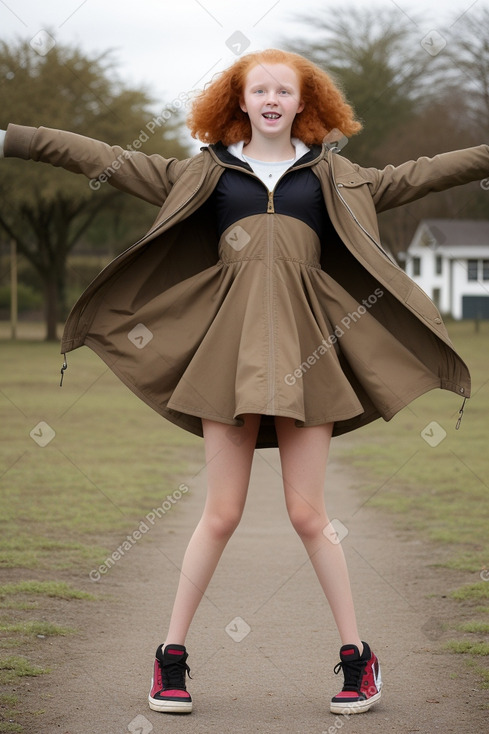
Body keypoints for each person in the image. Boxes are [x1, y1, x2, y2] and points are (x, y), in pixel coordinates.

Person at [1, 47, 487, 718]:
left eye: (282, 91)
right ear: (238, 99)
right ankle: (170, 660)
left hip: (311, 355)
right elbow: (98, 157)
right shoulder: (198, 173)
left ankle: (356, 659)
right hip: (226, 358)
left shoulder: (339, 177)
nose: (269, 100)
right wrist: (13, 138)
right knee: (221, 513)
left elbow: (427, 173)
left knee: (307, 514)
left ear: (302, 103)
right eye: (257, 89)